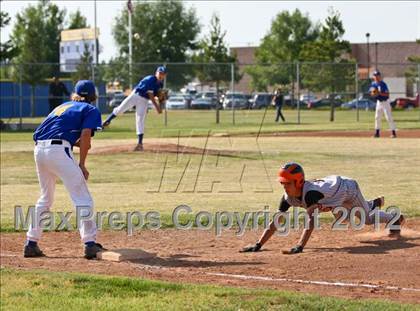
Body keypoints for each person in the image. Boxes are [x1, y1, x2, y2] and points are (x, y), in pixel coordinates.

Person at [241, 162, 404, 254]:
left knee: (366, 219)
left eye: (287, 183)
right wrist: (258, 244)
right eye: (282, 183)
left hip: (348, 189)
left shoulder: (310, 194)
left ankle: (393, 217)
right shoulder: (287, 199)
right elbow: (275, 222)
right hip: (332, 196)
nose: (284, 186)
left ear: (298, 182)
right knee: (345, 219)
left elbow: (310, 223)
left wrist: (300, 246)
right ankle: (371, 204)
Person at [25, 80, 105, 260]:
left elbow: (46, 132)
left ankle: (31, 243)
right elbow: (85, 135)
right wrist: (82, 164)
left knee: (45, 198)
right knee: (82, 196)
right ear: (93, 97)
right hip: (58, 151)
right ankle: (90, 244)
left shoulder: (62, 106)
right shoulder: (91, 109)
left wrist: (76, 144)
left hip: (39, 150)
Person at [102, 66, 166, 151]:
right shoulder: (151, 79)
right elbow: (151, 95)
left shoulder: (160, 85)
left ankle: (140, 144)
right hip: (136, 95)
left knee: (140, 120)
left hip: (144, 100)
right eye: (160, 73)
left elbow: (157, 96)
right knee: (121, 109)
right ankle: (107, 121)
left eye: (163, 74)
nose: (161, 75)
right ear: (156, 73)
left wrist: (161, 101)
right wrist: (157, 107)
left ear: (165, 75)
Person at [369, 70, 397, 138]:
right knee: (377, 117)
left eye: (377, 75)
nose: (376, 77)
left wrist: (379, 93)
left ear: (380, 76)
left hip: (385, 102)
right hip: (379, 102)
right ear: (373, 77)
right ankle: (377, 133)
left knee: (388, 117)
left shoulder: (383, 84)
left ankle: (393, 133)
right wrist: (373, 94)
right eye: (375, 76)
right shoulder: (373, 84)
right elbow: (371, 93)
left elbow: (387, 94)